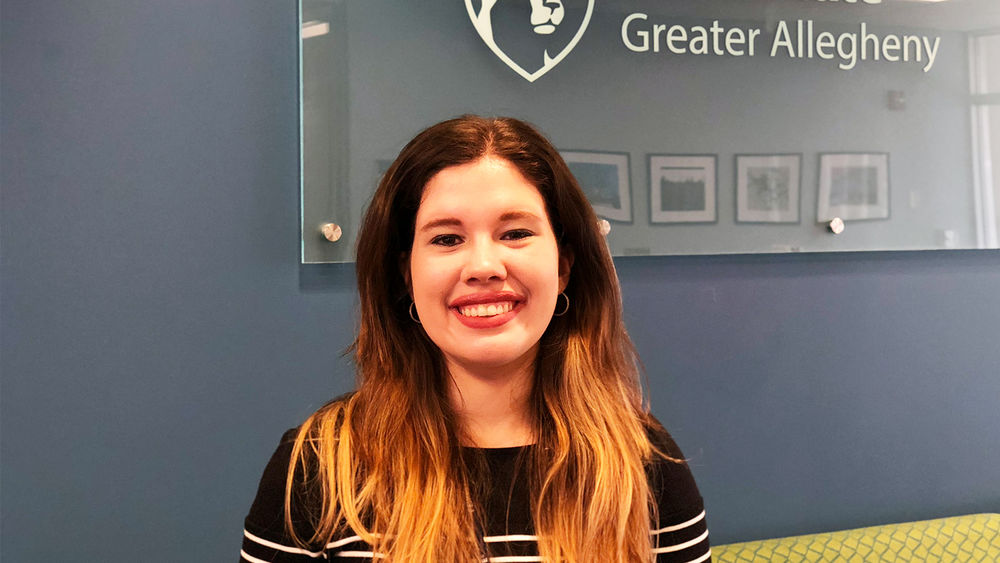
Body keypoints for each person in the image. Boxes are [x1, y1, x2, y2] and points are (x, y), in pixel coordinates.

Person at [240, 116, 710, 562]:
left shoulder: (644, 462)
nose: (484, 266)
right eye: (446, 239)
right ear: (405, 273)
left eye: (515, 233)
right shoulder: (321, 464)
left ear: (564, 265)